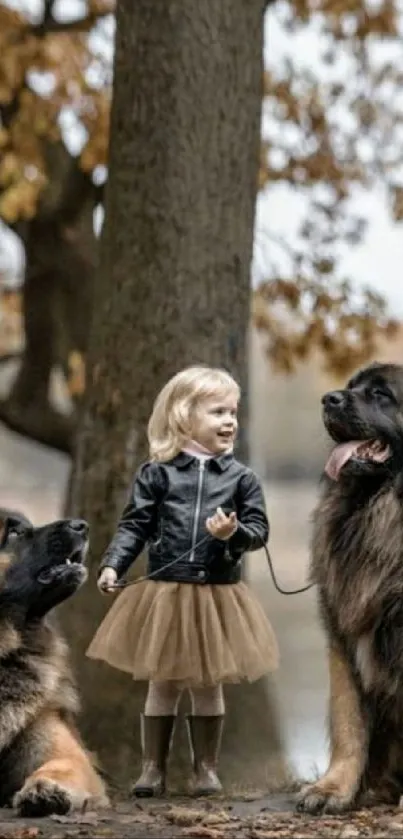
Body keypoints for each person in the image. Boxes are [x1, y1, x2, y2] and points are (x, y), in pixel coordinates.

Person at [86, 365, 279, 798]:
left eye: (233, 412)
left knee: (208, 684)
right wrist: (113, 564)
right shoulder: (157, 474)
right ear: (183, 415)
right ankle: (151, 769)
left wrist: (234, 534)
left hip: (216, 594)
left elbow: (258, 529)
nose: (229, 421)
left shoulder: (241, 478)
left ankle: (205, 771)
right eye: (217, 412)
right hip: (166, 591)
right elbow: (134, 525)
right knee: (163, 682)